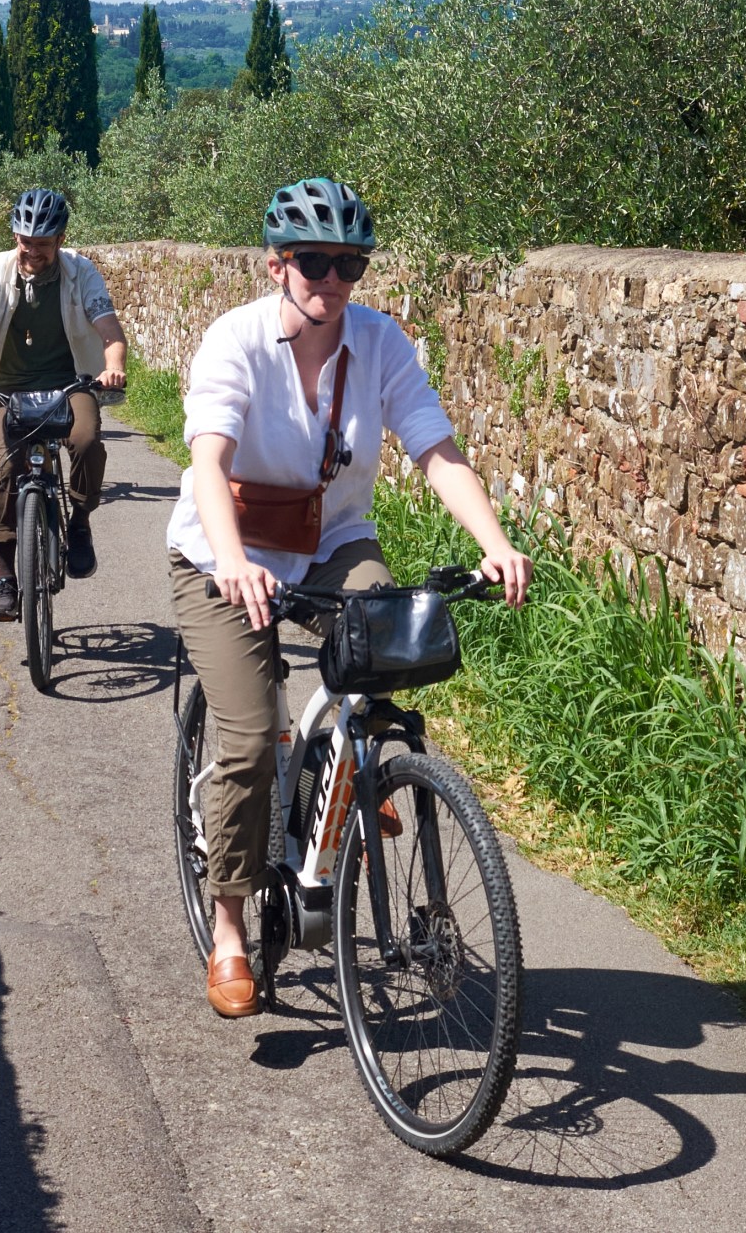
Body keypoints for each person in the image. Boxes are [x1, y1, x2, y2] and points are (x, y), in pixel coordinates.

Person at [166, 176, 531, 1018]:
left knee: (389, 647)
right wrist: (232, 559)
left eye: (350, 266)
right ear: (277, 266)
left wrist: (494, 543)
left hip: (329, 541)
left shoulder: (380, 344)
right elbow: (210, 465)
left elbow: (436, 449)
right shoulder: (235, 343)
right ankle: (229, 927)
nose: (332, 281)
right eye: (316, 262)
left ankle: (352, 779)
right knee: (252, 738)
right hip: (221, 553)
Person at [0, 188, 129, 621]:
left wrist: (112, 367)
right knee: (7, 467)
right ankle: (5, 577)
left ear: (60, 240)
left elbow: (110, 333)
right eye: (26, 241)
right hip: (8, 387)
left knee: (85, 441)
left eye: (43, 243)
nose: (33, 251)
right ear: (15, 236)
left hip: (70, 383)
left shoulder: (81, 272)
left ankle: (79, 521)